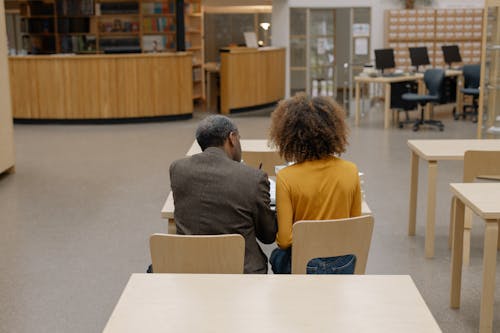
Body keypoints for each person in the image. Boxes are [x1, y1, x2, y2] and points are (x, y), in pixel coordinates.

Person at [169, 115, 277, 274]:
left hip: (190, 269)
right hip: (241, 271)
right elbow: (268, 236)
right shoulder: (253, 178)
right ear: (232, 138)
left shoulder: (177, 168)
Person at [268, 93, 362, 274]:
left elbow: (285, 241)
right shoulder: (350, 170)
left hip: (306, 263)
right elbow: (354, 227)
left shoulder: (287, 177)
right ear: (335, 130)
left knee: (277, 256)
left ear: (288, 135)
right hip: (344, 262)